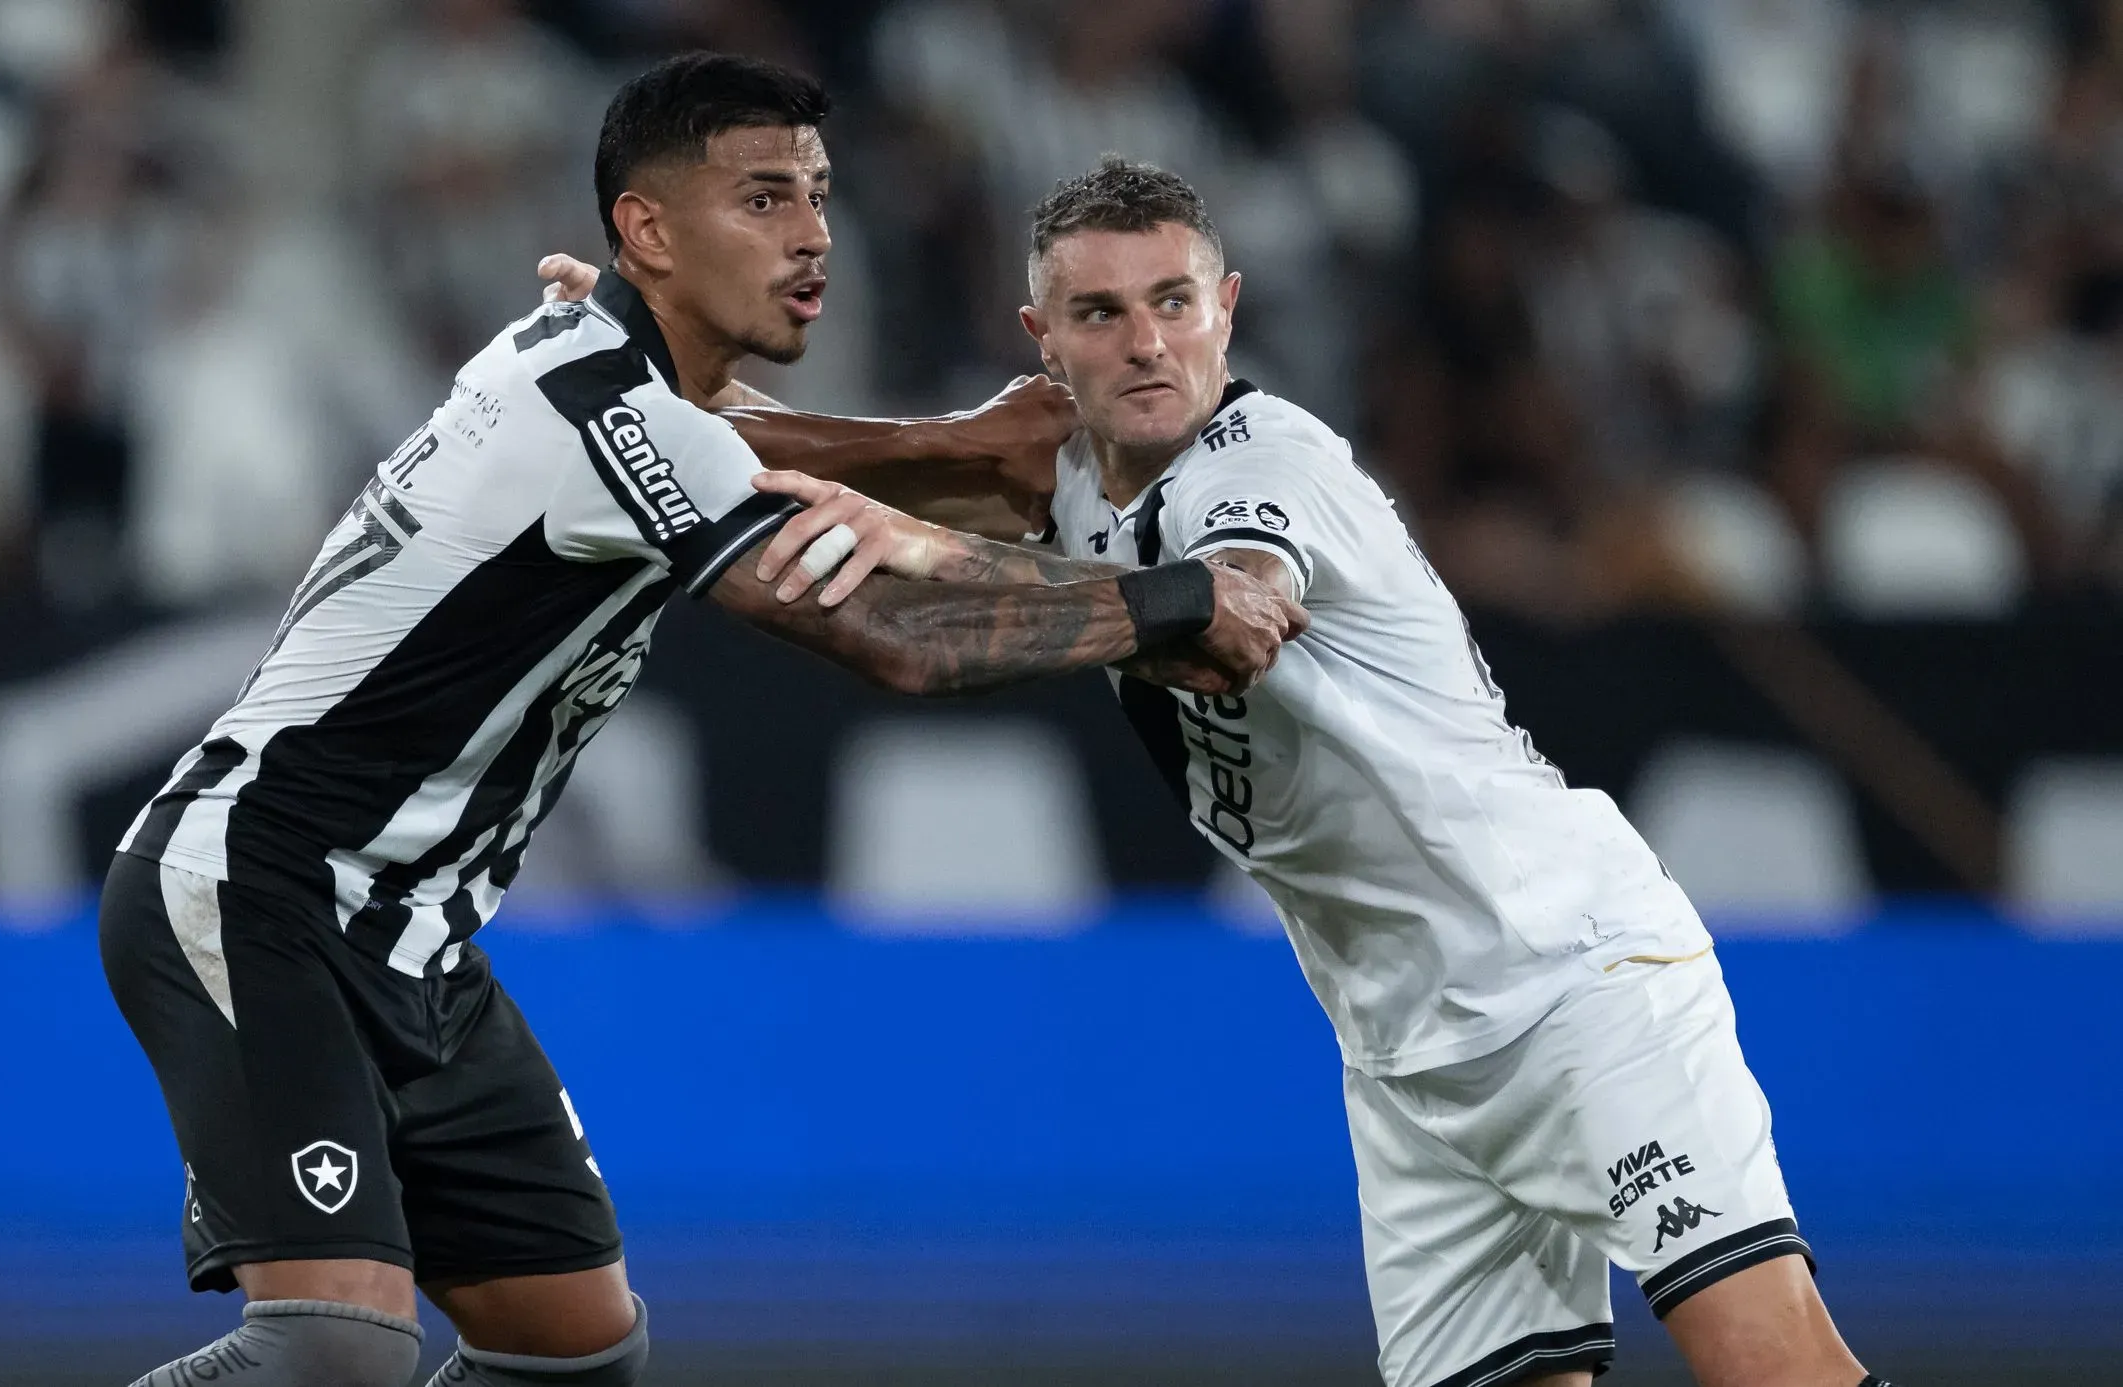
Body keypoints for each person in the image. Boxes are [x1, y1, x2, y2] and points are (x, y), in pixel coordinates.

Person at [98, 62, 1302, 1387]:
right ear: (648, 230)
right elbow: (887, 636)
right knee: (331, 1351)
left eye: (820, 197)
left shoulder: (580, 357)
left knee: (572, 1350)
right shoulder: (606, 414)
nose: (811, 234)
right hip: (259, 885)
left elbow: (737, 441)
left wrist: (958, 449)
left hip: (408, 934)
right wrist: (1175, 596)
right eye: (763, 197)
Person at [728, 159, 1894, 1387]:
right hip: (1402, 1052)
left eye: (1174, 302)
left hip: (1568, 979)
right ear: (1042, 339)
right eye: (1099, 314)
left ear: (1227, 308)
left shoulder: (1269, 465)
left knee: (1773, 1366)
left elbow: (1230, 616)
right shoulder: (1056, 457)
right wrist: (629, 368)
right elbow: (830, 450)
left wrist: (935, 552)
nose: (1145, 343)